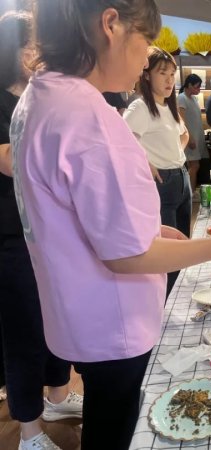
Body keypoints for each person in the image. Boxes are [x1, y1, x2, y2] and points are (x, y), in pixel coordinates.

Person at [10, 2, 211, 449]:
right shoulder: (85, 116)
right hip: (112, 322)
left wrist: (153, 230)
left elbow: (81, 215)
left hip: (79, 309)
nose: (146, 60)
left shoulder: (40, 96)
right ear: (111, 25)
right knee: (116, 426)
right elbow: (127, 255)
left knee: (106, 412)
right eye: (145, 41)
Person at [1, 11, 82, 450]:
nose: (38, 53)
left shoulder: (39, 96)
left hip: (49, 231)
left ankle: (57, 397)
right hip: (11, 236)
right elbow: (10, 161)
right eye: (29, 44)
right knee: (24, 330)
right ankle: (29, 431)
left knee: (56, 318)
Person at [124, 47, 192, 299]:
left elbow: (184, 134)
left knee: (182, 244)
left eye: (172, 74)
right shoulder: (141, 107)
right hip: (162, 183)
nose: (169, 80)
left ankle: (173, 301)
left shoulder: (168, 107)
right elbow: (122, 139)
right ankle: (161, 305)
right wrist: (145, 161)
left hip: (181, 177)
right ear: (147, 75)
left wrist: (176, 152)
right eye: (162, 73)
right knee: (166, 253)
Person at [177, 73, 209, 202]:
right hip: (191, 138)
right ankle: (190, 193)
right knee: (193, 165)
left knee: (195, 165)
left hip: (197, 136)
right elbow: (182, 121)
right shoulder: (181, 98)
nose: (198, 89)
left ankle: (192, 191)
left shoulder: (194, 99)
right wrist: (189, 138)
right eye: (196, 87)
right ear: (189, 85)